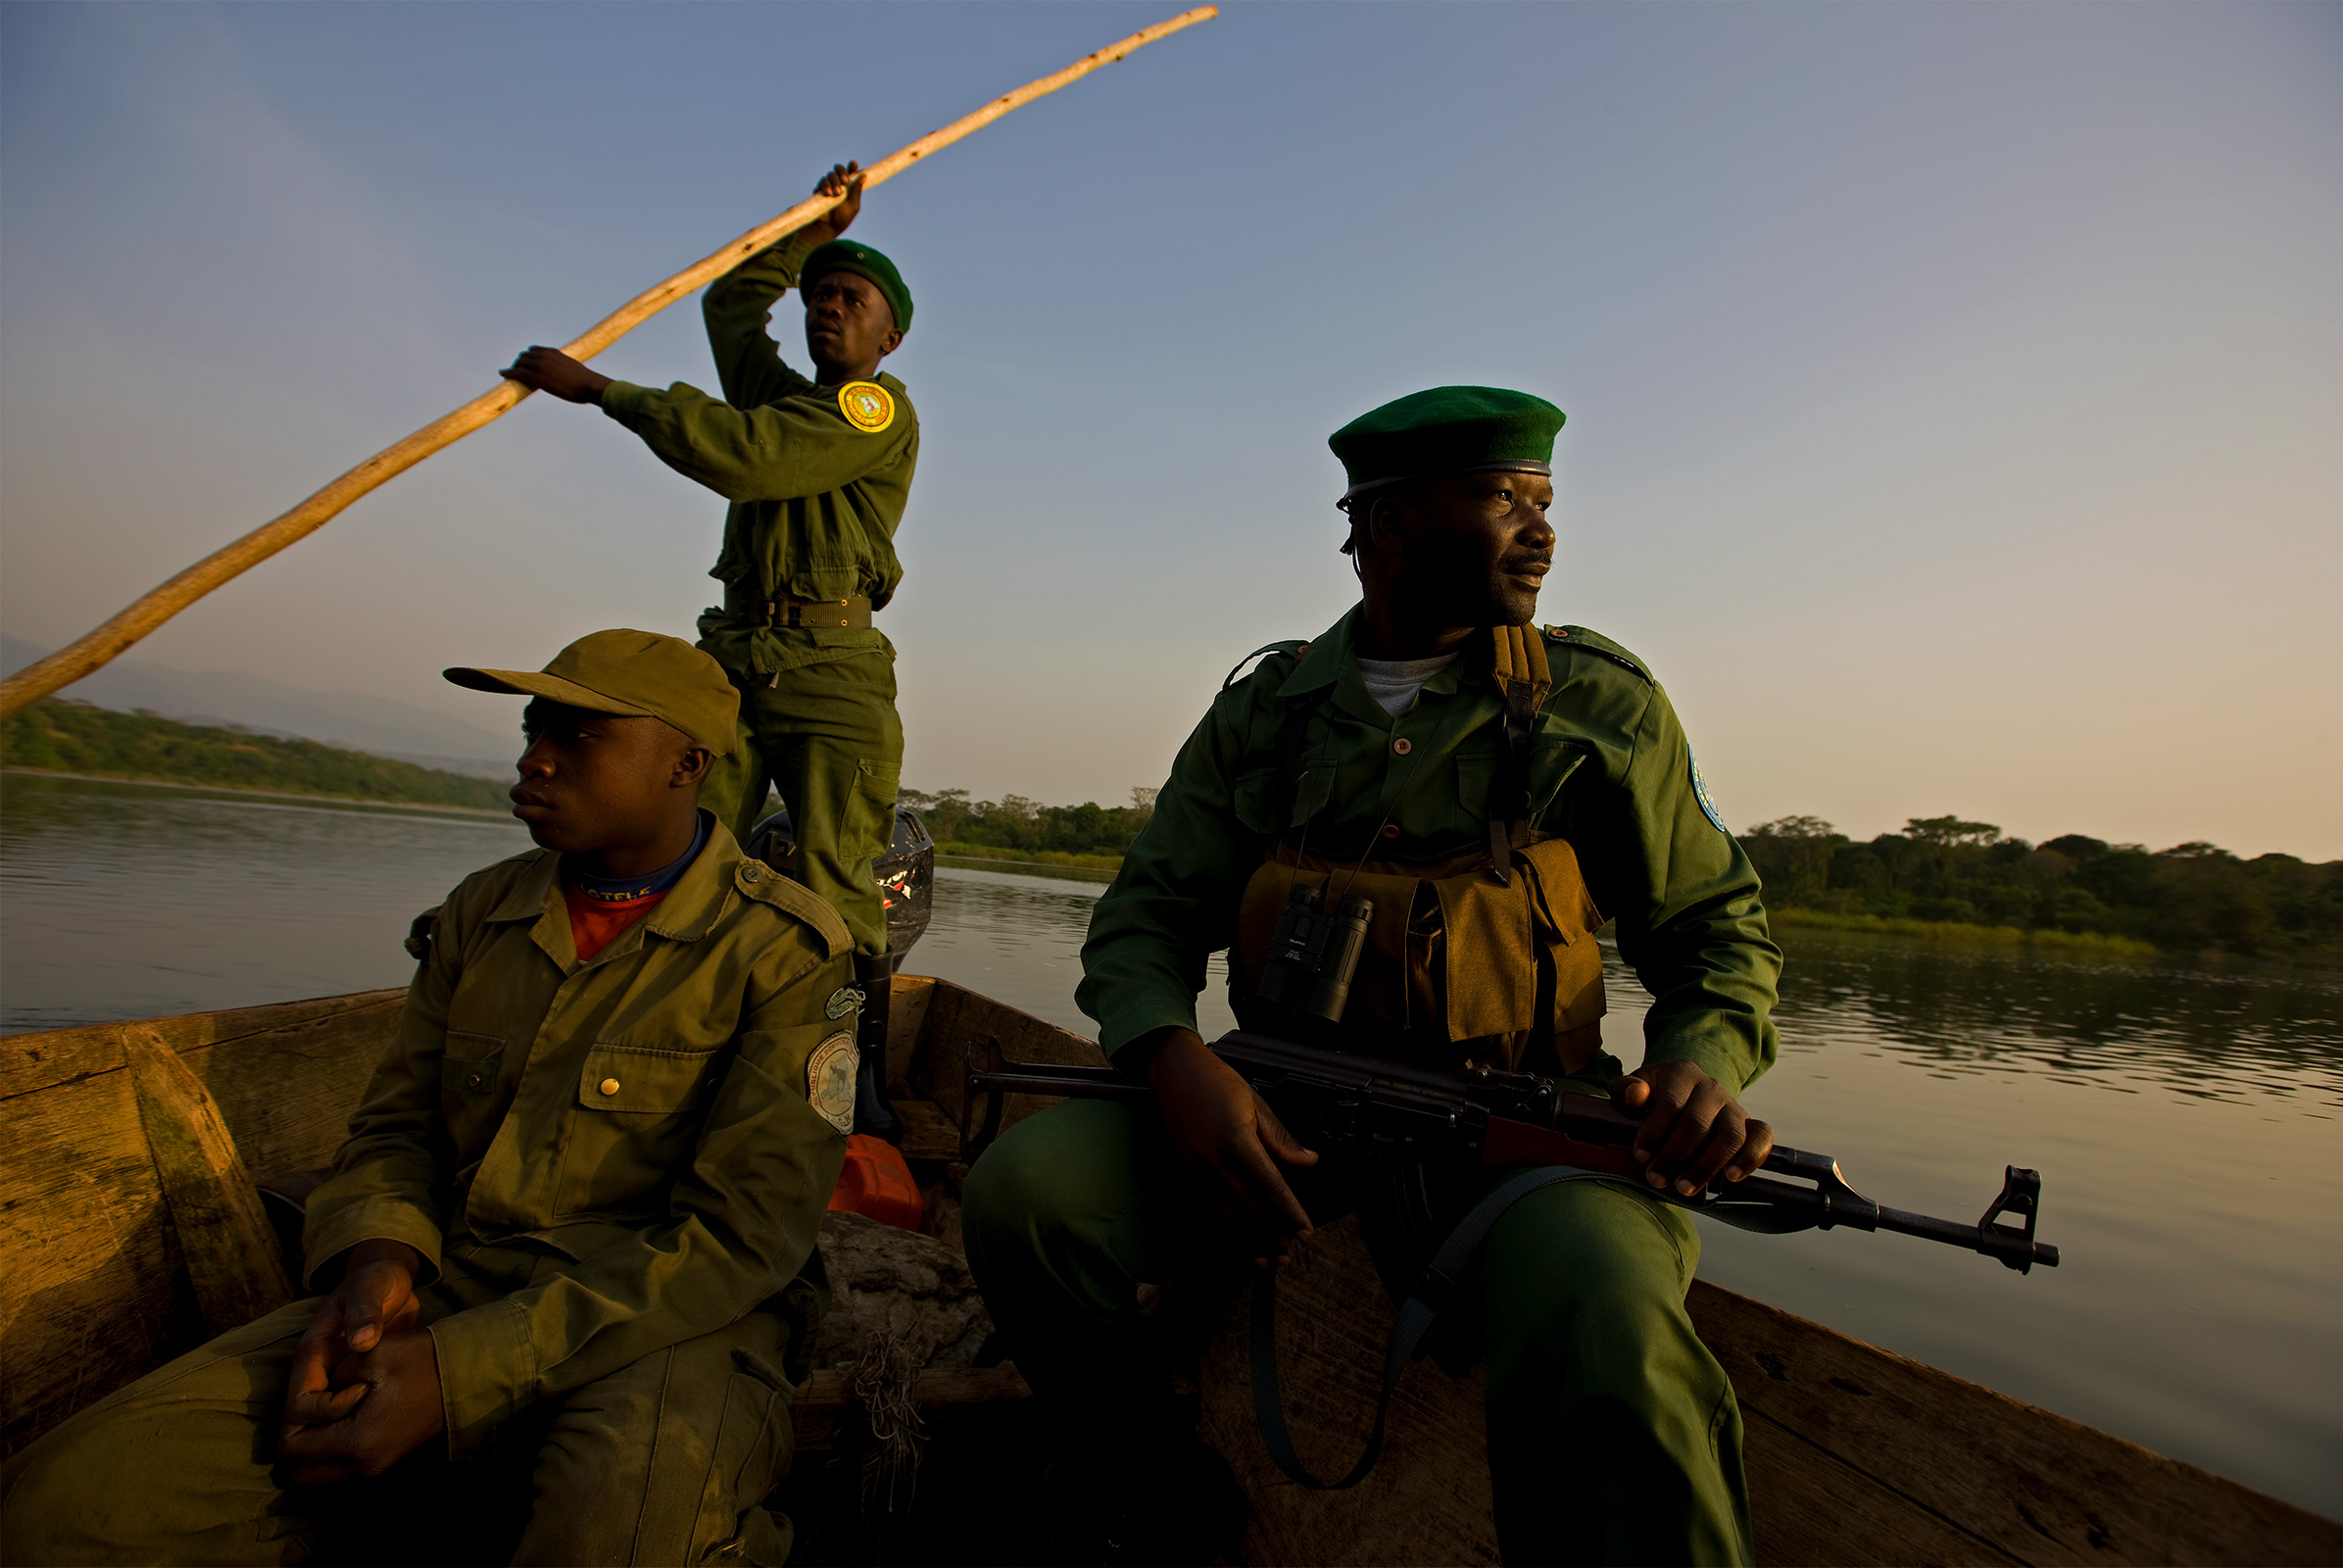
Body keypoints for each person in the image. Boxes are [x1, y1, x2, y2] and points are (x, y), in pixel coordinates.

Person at [960, 387, 1783, 1566]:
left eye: (1546, 502)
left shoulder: (1595, 704)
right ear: (1388, 526)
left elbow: (1716, 933)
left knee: (1604, 1304)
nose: (1543, 531)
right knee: (1023, 1198)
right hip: (1283, 1110)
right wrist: (1173, 1057)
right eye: (1505, 500)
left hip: (1513, 1122)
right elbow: (1143, 920)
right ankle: (1147, 1474)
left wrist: (1699, 1064)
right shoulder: (1270, 712)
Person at [2, 629, 858, 1566]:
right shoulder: (479, 911)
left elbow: (743, 1241)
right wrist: (374, 1266)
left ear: (686, 765)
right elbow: (396, 1128)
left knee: (615, 1534)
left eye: (579, 738)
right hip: (454, 1278)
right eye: (535, 729)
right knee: (67, 1508)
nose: (534, 756)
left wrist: (456, 1377)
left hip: (668, 1315)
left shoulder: (787, 950)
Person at [504, 164, 913, 1132]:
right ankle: (644, 1040)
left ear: (889, 336)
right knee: (682, 847)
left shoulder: (872, 410)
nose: (829, 310)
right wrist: (810, 237)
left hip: (832, 671)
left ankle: (855, 1077)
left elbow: (746, 453)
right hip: (736, 652)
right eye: (821, 298)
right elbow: (734, 305)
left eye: (852, 302)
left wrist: (602, 390)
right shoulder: (783, 395)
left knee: (835, 876)